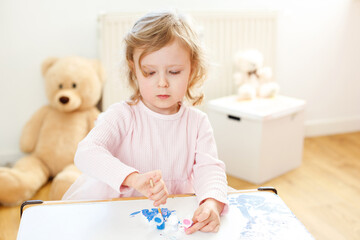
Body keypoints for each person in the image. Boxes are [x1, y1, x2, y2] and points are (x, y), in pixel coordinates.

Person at [63, 9, 228, 235]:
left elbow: (209, 170)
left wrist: (211, 203)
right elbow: (86, 152)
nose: (162, 82)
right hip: (121, 218)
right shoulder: (122, 115)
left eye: (174, 71)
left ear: (192, 69)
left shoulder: (198, 123)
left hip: (172, 217)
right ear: (134, 69)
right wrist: (133, 179)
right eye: (150, 72)